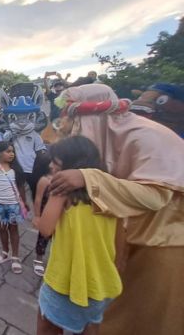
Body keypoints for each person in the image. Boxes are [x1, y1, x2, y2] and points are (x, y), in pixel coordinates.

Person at [50, 83, 184, 335]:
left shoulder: (146, 136)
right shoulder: (109, 135)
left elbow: (155, 196)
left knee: (144, 319)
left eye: (74, 128)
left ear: (89, 120)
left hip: (163, 244)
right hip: (127, 242)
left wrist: (87, 178)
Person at [36, 136, 122, 335]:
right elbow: (120, 237)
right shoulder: (110, 192)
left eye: (56, 162)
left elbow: (45, 229)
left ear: (72, 166)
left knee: (47, 325)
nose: (50, 165)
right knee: (89, 326)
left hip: (64, 280)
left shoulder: (61, 192)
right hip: (99, 281)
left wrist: (40, 215)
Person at [0, 141, 26, 274]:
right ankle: (5, 252)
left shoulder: (15, 169)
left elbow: (20, 187)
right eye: (8, 151)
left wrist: (24, 203)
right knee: (2, 229)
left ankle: (15, 257)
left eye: (12, 151)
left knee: (13, 230)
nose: (11, 154)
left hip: (13, 205)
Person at [31, 152, 53, 277]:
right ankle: (39, 259)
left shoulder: (62, 178)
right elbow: (38, 199)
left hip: (60, 215)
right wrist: (37, 216)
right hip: (45, 213)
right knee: (43, 237)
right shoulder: (44, 180)